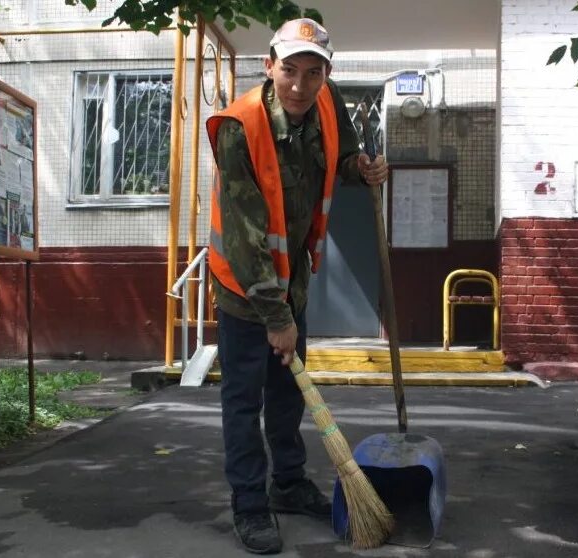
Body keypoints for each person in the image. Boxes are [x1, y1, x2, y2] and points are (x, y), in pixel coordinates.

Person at [205, 17, 389, 555]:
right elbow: (244, 234)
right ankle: (249, 503)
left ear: (326, 73)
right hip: (244, 287)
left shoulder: (328, 103)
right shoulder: (240, 127)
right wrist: (275, 318)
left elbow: (341, 161)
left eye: (314, 72)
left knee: (287, 395)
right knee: (244, 399)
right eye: (290, 70)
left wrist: (363, 168)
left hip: (292, 281)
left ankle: (287, 484)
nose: (301, 85)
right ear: (269, 66)